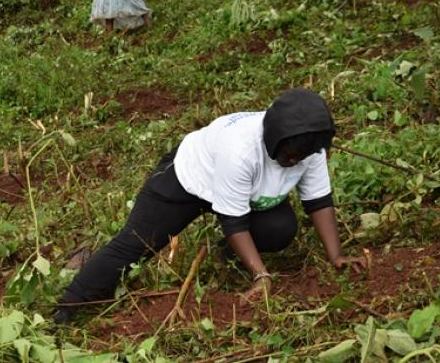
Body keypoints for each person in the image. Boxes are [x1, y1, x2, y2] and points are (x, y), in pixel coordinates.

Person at [54, 88, 366, 323]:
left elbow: (318, 201)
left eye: (299, 156)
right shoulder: (241, 151)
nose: (293, 161)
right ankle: (66, 308)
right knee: (135, 245)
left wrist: (335, 255)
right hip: (189, 180)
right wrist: (262, 277)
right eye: (288, 156)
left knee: (280, 227)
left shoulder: (310, 147)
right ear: (273, 138)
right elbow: (234, 221)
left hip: (247, 196)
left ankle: (227, 256)